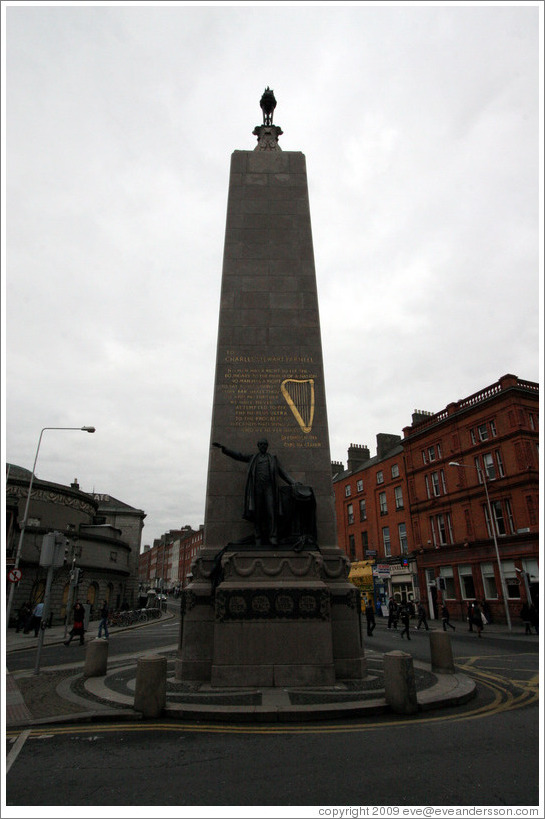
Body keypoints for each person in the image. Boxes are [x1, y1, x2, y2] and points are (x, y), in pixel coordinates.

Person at [212, 438, 298, 546]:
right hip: (256, 489)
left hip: (269, 489)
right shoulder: (253, 458)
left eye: (265, 445)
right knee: (258, 514)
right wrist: (225, 449)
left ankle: (273, 537)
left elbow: (283, 473)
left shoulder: (272, 459)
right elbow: (239, 456)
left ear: (267, 446)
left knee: (271, 513)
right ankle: (258, 537)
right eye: (261, 444)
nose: (263, 446)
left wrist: (293, 483)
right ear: (258, 446)